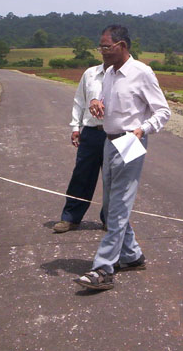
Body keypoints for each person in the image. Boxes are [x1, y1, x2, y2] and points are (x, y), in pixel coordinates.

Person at [74, 25, 170, 290]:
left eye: (107, 47)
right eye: (101, 47)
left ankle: (103, 268)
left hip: (131, 141)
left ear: (122, 46)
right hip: (109, 140)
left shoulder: (142, 73)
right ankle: (131, 255)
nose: (102, 52)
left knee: (117, 207)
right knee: (111, 206)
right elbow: (104, 97)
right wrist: (96, 101)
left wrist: (143, 129)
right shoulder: (108, 73)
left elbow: (162, 111)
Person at [52, 56, 108, 233]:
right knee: (81, 176)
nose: (106, 52)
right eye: (103, 47)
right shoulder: (90, 74)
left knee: (113, 179)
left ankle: (111, 219)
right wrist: (76, 127)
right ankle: (70, 217)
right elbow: (79, 101)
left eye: (110, 47)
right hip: (91, 132)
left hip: (115, 134)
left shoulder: (126, 76)